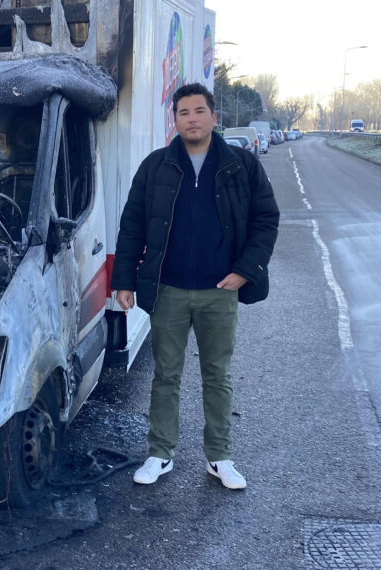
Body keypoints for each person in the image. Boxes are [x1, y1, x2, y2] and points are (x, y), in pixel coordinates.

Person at [111, 83, 279, 489]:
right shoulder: (156, 167)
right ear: (175, 120)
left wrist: (245, 270)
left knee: (216, 375)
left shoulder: (241, 165)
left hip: (219, 292)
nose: (192, 118)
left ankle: (219, 457)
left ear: (214, 117)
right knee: (165, 375)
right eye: (183, 112)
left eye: (199, 111)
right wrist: (124, 280)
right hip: (168, 290)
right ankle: (160, 453)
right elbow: (132, 225)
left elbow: (266, 219)